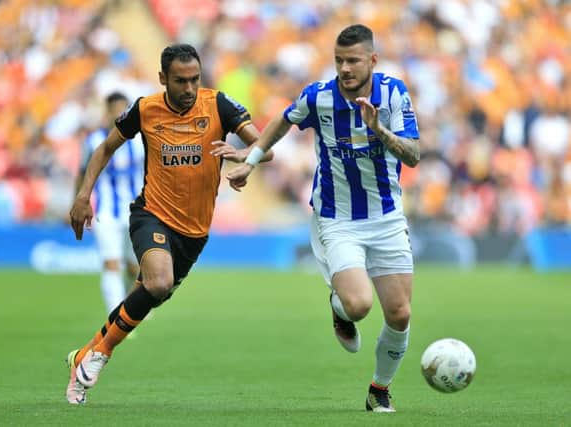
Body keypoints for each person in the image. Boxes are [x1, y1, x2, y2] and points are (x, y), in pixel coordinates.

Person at [227, 24, 420, 413]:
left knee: (399, 313)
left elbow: (413, 155)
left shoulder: (393, 93)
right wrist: (251, 160)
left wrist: (378, 129)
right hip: (337, 217)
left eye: (353, 61)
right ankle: (339, 308)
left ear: (372, 61)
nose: (345, 68)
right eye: (338, 60)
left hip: (385, 216)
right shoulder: (319, 97)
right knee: (360, 305)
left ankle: (378, 389)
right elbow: (284, 120)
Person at [66, 43, 273, 405]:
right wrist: (84, 196)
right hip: (151, 213)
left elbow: (266, 146)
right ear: (163, 78)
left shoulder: (219, 105)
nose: (189, 88)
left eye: (194, 79)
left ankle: (87, 352)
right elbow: (104, 149)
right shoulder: (146, 109)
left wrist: (243, 156)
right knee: (158, 283)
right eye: (180, 81)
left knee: (146, 297)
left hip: (195, 232)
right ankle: (101, 356)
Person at [76, 92, 143, 314]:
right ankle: (117, 317)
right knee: (111, 263)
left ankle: (134, 305)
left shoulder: (141, 141)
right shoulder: (94, 141)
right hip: (105, 212)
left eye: (124, 110)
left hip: (137, 212)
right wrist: (77, 202)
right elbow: (82, 172)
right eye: (115, 110)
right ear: (108, 111)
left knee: (135, 267)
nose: (119, 114)